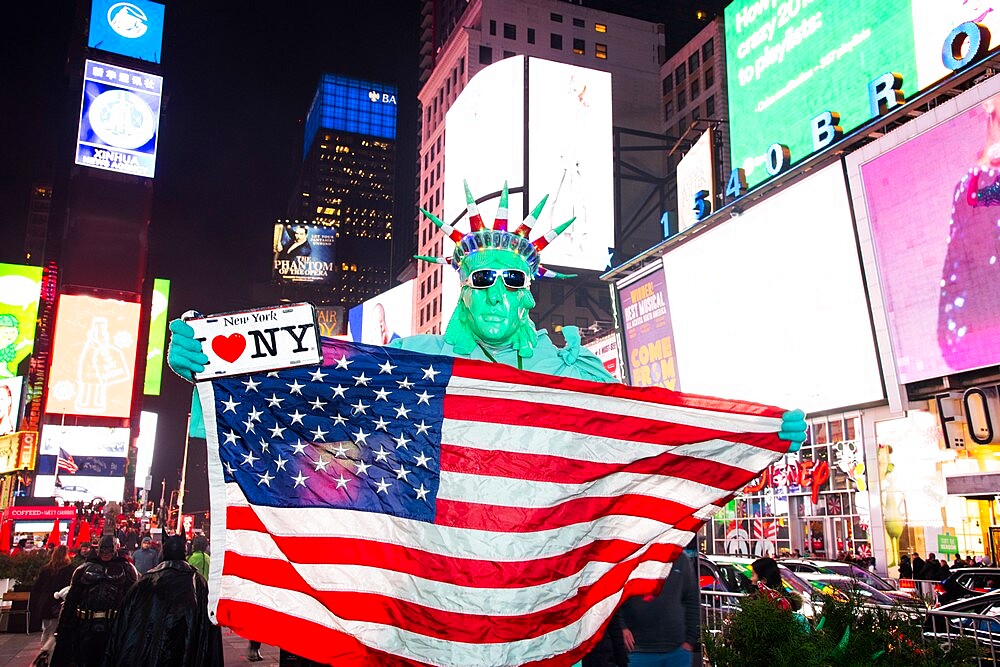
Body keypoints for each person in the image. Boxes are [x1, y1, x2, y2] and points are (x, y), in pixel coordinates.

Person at [165, 180, 810, 662]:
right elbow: (307, 409)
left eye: (509, 279)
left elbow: (646, 440)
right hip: (437, 628)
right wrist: (210, 372)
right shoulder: (417, 369)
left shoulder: (578, 378)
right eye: (481, 280)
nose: (495, 293)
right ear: (462, 290)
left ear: (529, 289)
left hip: (549, 626)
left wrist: (749, 435)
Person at [102, 535, 223, 666]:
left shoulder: (146, 581)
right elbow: (209, 633)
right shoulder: (198, 582)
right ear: (185, 551)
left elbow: (124, 622)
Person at [50, 536, 138, 667]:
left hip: (114, 626)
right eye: (103, 549)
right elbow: (71, 601)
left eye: (109, 549)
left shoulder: (127, 569)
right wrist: (63, 627)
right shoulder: (83, 569)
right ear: (98, 549)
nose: (106, 552)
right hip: (86, 626)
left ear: (115, 549)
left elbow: (133, 600)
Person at [619, 538, 701, 667]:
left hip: (677, 651)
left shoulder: (680, 559)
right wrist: (622, 627)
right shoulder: (631, 559)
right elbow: (616, 597)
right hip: (638, 650)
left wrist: (690, 641)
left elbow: (691, 600)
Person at [31, 546, 76, 667]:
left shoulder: (46, 569)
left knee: (46, 629)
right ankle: (47, 652)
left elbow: (36, 587)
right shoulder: (69, 569)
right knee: (56, 630)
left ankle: (44, 650)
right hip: (58, 603)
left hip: (44, 603)